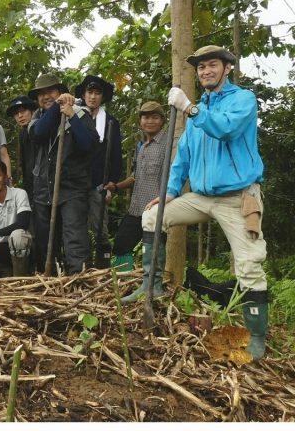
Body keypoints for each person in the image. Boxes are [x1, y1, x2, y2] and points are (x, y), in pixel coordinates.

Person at [143, 46, 268, 360]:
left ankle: (256, 338)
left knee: (250, 265)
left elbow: (226, 129)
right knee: (152, 216)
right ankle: (152, 285)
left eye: (213, 65)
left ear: (227, 68)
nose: (206, 71)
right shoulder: (196, 112)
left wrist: (190, 110)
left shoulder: (242, 100)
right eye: (201, 68)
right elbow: (181, 158)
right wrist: (171, 191)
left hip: (238, 196)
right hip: (201, 197)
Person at [28, 73, 99, 274]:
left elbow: (88, 144)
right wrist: (57, 107)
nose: (45, 96)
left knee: (74, 238)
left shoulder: (80, 113)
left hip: (72, 189)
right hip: (44, 189)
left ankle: (79, 280)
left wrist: (70, 115)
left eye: (50, 91)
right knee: (45, 240)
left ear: (61, 91)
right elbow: (39, 134)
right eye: (41, 94)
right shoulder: (37, 117)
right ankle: (48, 282)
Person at [111, 101, 170, 297]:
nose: (150, 121)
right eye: (145, 117)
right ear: (140, 120)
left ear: (162, 120)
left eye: (155, 117)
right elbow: (136, 176)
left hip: (155, 211)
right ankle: (126, 286)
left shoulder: (167, 145)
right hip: (136, 208)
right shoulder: (141, 146)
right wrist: (117, 186)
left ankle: (153, 288)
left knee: (153, 250)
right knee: (121, 244)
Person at [75, 75, 123, 268]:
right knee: (76, 227)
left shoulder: (111, 122)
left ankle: (102, 268)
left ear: (102, 97)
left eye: (97, 93)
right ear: (84, 94)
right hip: (76, 183)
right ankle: (81, 266)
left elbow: (116, 155)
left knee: (100, 228)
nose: (93, 97)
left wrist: (112, 183)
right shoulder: (74, 117)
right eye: (90, 92)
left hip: (99, 184)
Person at [5, 95, 35, 200]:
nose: (20, 116)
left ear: (32, 110)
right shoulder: (23, 133)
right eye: (16, 114)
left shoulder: (39, 128)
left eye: (23, 111)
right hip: (29, 184)